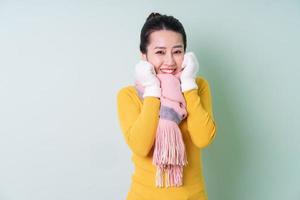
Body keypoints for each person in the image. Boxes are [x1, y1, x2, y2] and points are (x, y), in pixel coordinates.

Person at [116, 12, 217, 200]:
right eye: (160, 52)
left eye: (177, 51)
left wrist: (188, 84)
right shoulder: (128, 96)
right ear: (144, 56)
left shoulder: (197, 87)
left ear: (186, 55)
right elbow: (141, 146)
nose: (170, 61)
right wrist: (152, 90)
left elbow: (203, 138)